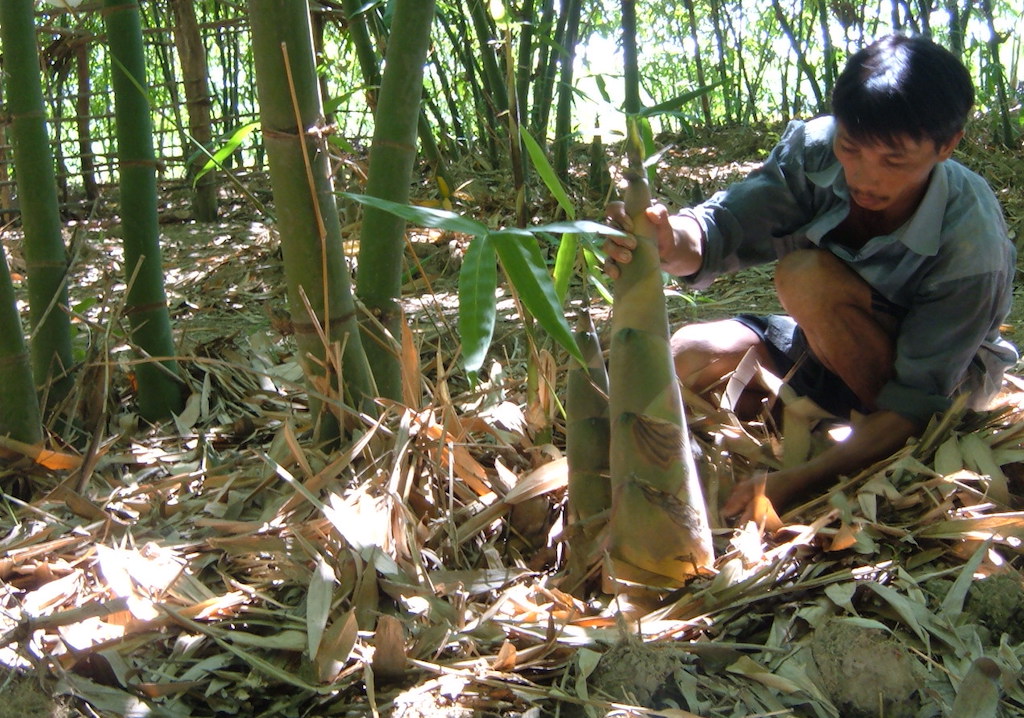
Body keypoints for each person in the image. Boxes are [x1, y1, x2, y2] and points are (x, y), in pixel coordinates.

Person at [603, 34, 1018, 522]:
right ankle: (827, 427)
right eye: (851, 148)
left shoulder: (972, 243)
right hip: (822, 347)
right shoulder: (815, 152)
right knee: (686, 356)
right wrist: (667, 239)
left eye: (894, 160)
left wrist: (797, 483)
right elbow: (721, 230)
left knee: (805, 278)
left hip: (930, 387)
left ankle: (851, 442)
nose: (864, 177)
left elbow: (919, 403)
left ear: (946, 146)